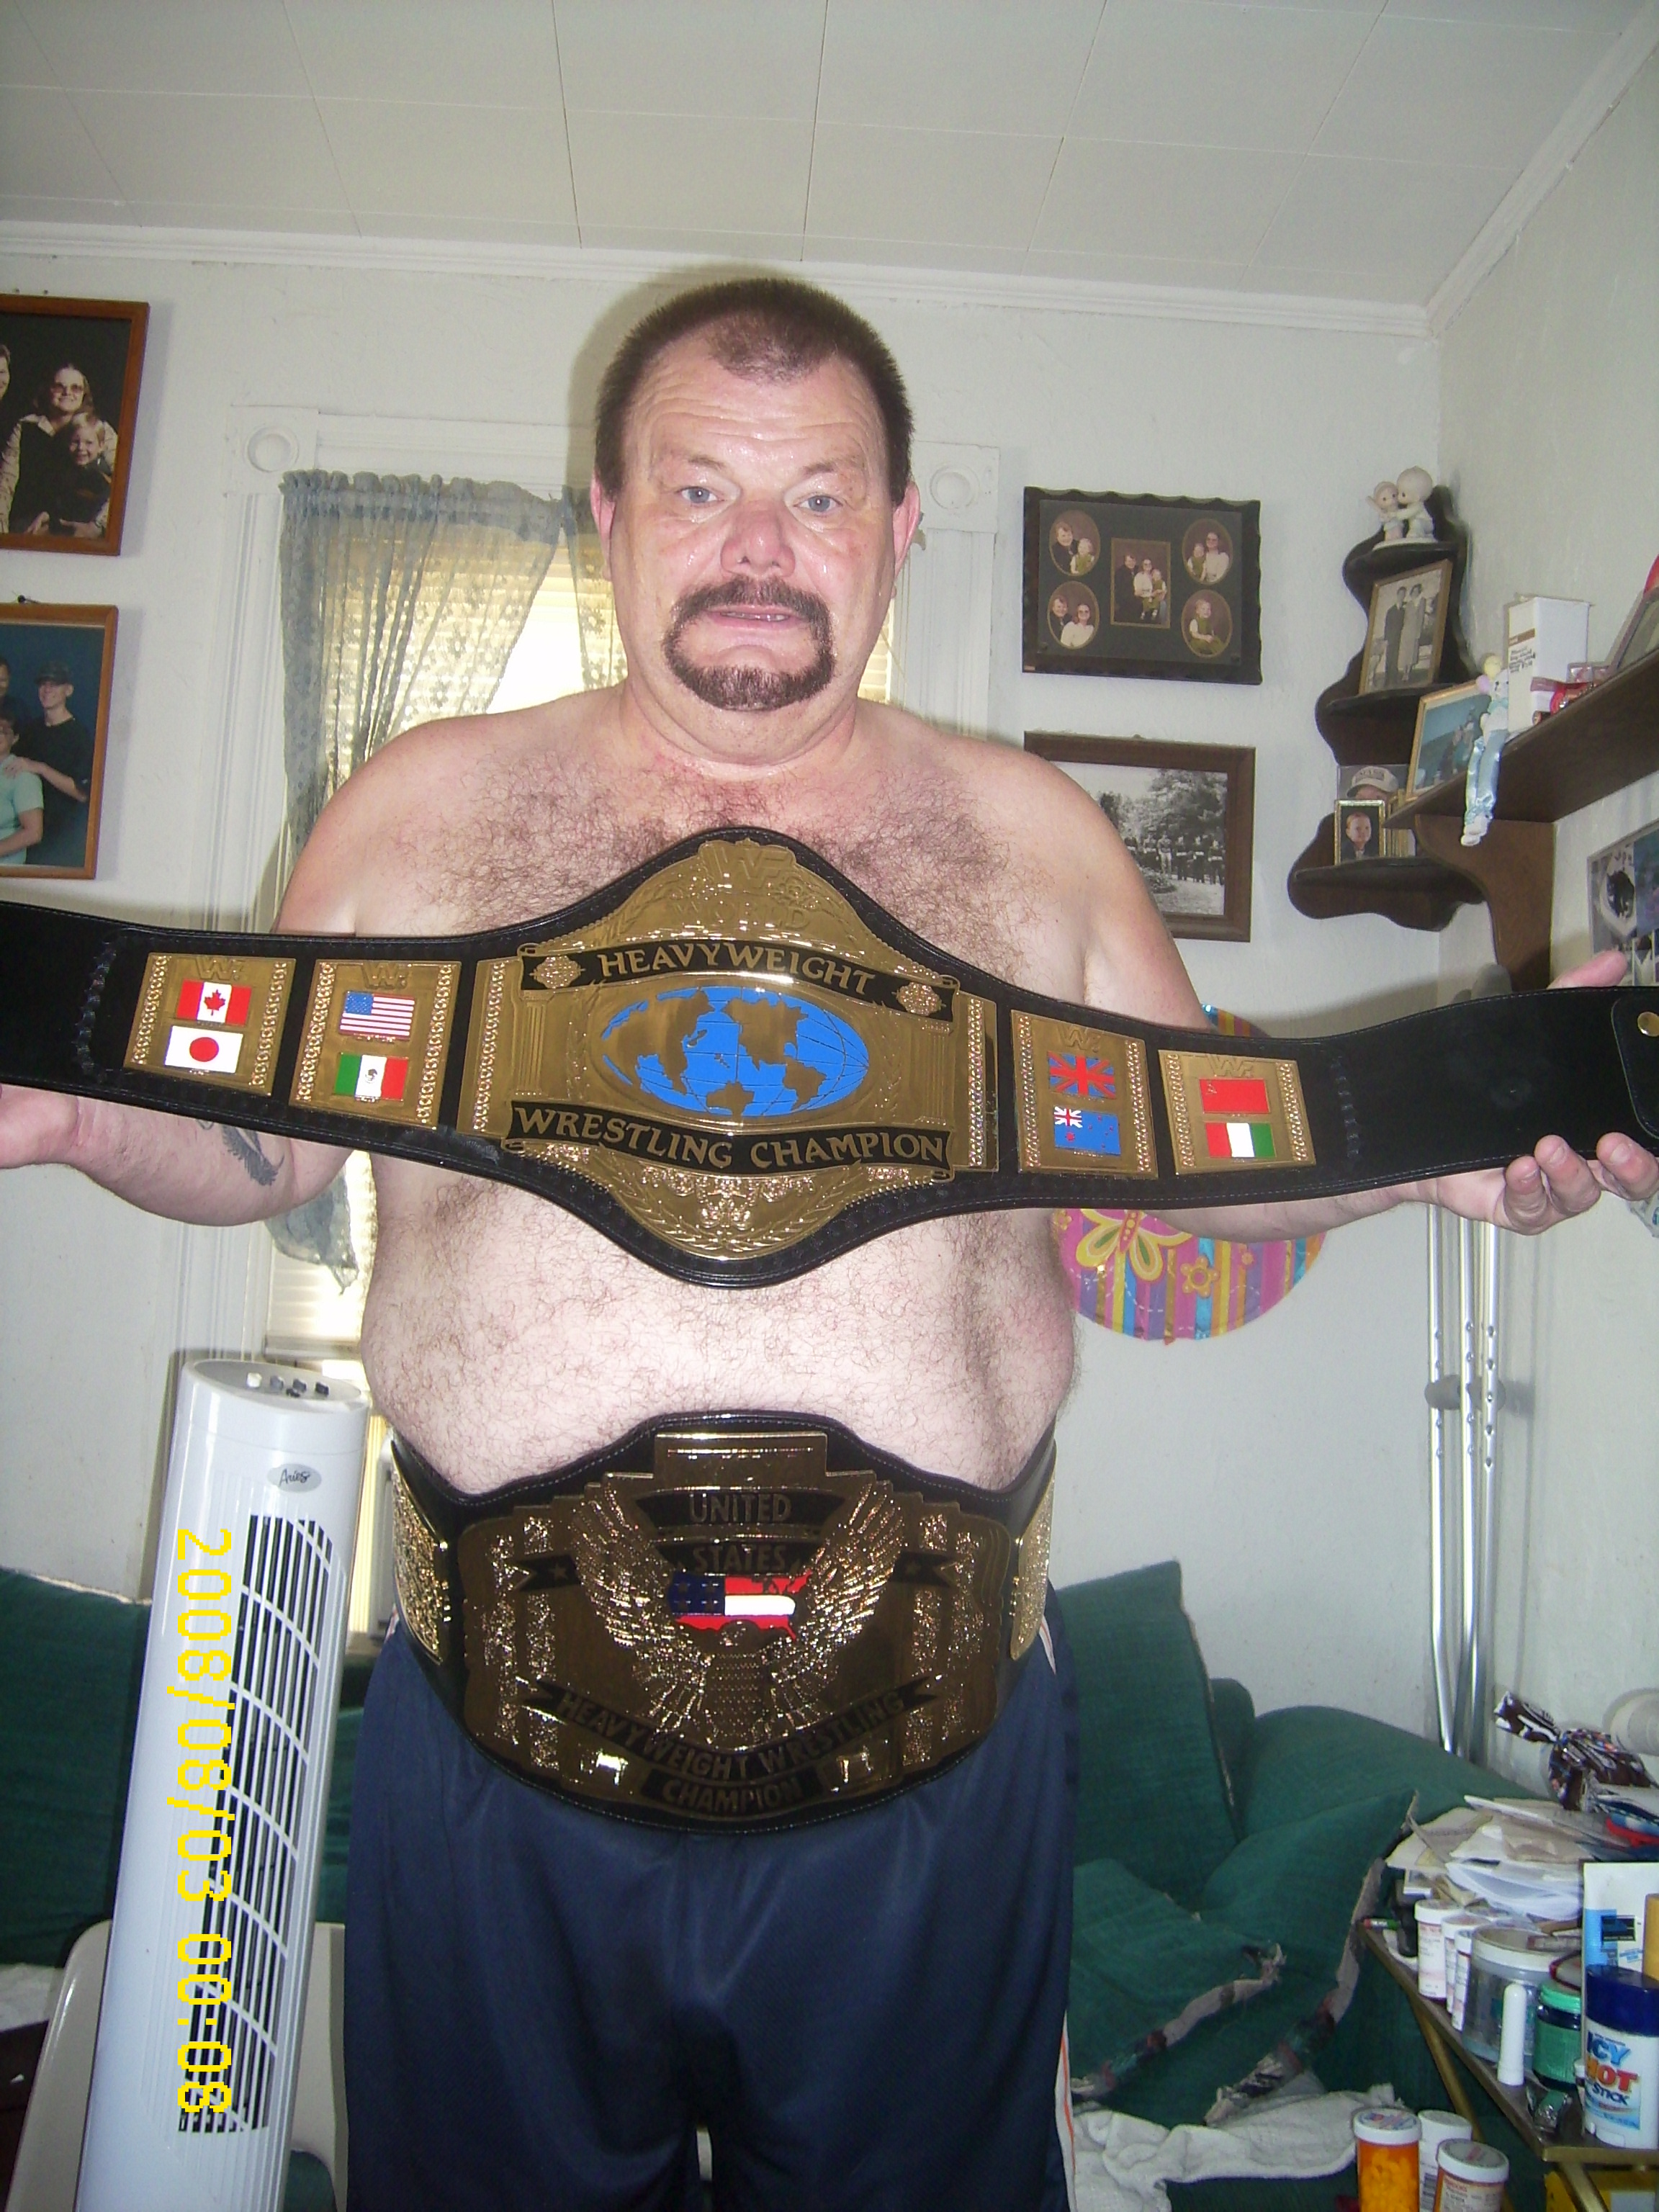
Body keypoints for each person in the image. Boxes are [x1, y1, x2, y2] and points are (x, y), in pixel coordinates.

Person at [1, 277, 1653, 2211]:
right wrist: (79, 1114)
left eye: (817, 496)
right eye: (699, 488)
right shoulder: (422, 808)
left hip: (936, 1774)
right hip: (493, 1761)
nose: (757, 551)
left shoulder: (1034, 838)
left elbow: (1184, 1170)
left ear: (899, 524)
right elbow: (263, 1138)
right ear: (609, 512)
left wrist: (1425, 1147)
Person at [0, 361, 117, 535]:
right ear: (48, 390)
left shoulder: (99, 429)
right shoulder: (26, 427)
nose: (67, 393)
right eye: (59, 387)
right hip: (29, 525)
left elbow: (126, 481)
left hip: (80, 525)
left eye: (76, 388)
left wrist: (97, 526)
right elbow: (5, 484)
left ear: (84, 394)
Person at [10, 657, 94, 869]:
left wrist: (41, 768)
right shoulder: (31, 731)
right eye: (43, 684)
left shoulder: (79, 736)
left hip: (61, 840)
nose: (47, 690)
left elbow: (82, 793)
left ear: (69, 690)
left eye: (54, 684)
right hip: (25, 836)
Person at [48, 410, 113, 538]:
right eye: (75, 442)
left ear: (101, 446)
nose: (81, 448)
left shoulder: (100, 475)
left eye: (89, 443)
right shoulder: (69, 471)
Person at [0, 710, 43, 867]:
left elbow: (33, 833)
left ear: (15, 738)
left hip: (6, 871)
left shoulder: (23, 776)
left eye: (3, 732)